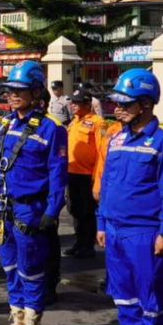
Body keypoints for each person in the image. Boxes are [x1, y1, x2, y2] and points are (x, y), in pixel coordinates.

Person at [95, 69, 163, 325]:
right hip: (116, 231)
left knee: (152, 298)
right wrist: (102, 222)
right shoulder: (116, 138)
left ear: (146, 104)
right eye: (115, 102)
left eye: (124, 103)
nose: (116, 108)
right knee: (124, 297)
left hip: (147, 234)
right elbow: (107, 184)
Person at [0, 60, 67, 325]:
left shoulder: (52, 129)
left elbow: (57, 174)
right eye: (10, 90)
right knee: (9, 266)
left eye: (20, 90)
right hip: (3, 209)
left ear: (36, 92)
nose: (13, 95)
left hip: (30, 210)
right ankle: (17, 319)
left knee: (30, 269)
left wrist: (51, 212)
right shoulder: (6, 124)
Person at [64, 90, 106, 259]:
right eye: (72, 102)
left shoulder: (97, 123)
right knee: (74, 209)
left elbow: (101, 151)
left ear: (88, 104)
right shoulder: (73, 122)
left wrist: (97, 177)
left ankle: (88, 245)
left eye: (77, 102)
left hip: (87, 174)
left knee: (87, 211)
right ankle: (79, 242)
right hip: (72, 172)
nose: (73, 105)